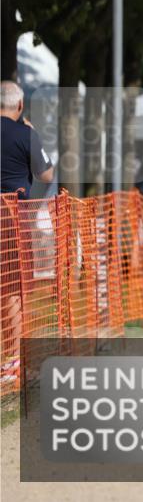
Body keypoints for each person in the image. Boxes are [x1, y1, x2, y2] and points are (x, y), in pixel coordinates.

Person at [1, 81, 55, 384]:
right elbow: (47, 174)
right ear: (19, 106)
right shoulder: (26, 133)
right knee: (11, 289)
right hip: (10, 218)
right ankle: (12, 361)